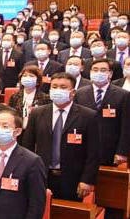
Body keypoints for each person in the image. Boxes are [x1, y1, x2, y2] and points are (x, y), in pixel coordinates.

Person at [23, 73, 100, 201]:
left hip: (73, 178)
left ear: (73, 92)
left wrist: (87, 180)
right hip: (41, 175)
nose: (58, 90)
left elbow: (94, 152)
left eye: (63, 87)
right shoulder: (37, 113)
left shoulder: (88, 116)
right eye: (54, 87)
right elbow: (27, 146)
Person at [75, 58, 129, 166]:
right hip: (83, 149)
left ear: (110, 73)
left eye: (103, 70)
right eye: (95, 70)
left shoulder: (123, 95)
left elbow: (126, 126)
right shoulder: (80, 93)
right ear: (90, 72)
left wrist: (122, 152)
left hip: (110, 150)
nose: (98, 72)